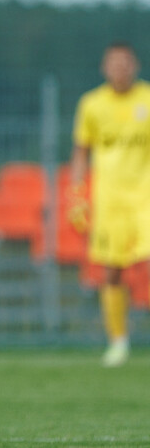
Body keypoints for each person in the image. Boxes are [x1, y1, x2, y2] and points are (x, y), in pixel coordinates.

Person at [68, 42, 150, 367]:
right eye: (114, 64)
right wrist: (76, 192)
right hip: (109, 201)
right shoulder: (91, 103)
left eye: (125, 63)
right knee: (112, 271)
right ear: (105, 68)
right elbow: (80, 151)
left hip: (145, 198)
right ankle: (118, 342)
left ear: (136, 66)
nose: (120, 69)